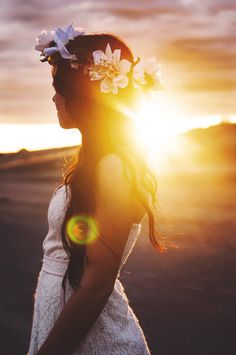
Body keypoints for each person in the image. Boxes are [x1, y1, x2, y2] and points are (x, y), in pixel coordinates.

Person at [27, 22, 164, 355]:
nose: (55, 97)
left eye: (61, 87)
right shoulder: (95, 162)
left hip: (98, 341)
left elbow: (97, 285)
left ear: (86, 96)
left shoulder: (114, 167)